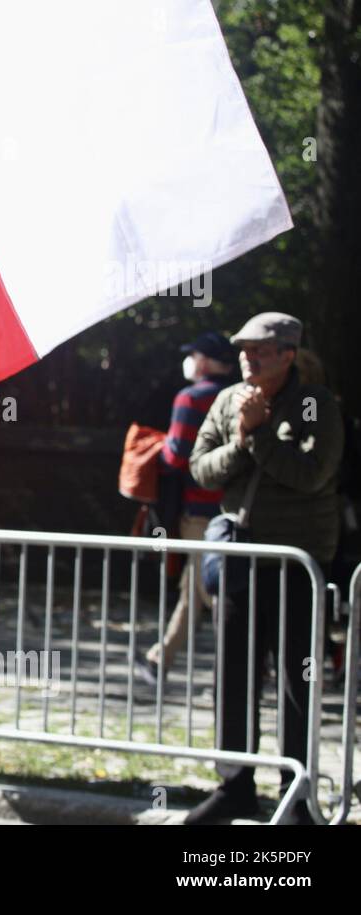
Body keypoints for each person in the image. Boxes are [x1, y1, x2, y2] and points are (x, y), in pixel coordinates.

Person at [185, 312, 344, 825]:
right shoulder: (229, 399)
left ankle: (296, 794)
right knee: (234, 675)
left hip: (297, 562)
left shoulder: (316, 404)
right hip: (241, 560)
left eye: (259, 350)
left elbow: (313, 475)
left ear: (287, 356)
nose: (247, 357)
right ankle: (233, 786)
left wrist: (257, 437)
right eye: (242, 350)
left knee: (297, 681)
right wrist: (240, 438)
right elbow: (200, 467)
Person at [142, 331, 238, 680]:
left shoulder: (191, 398)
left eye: (195, 355)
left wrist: (156, 450)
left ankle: (258, 653)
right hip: (234, 507)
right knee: (194, 586)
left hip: (198, 509)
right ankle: (160, 657)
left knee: (210, 590)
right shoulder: (241, 395)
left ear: (206, 361)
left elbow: (176, 454)